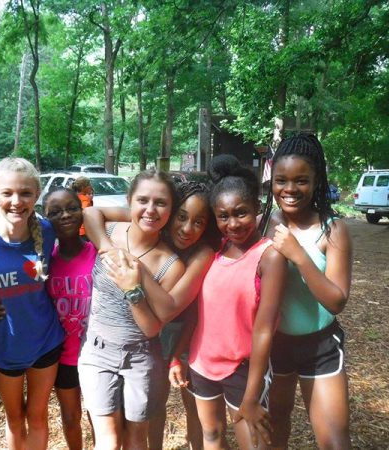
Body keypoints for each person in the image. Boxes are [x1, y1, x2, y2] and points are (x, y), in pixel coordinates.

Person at [85, 181, 221, 450]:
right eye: (181, 217)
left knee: (193, 405)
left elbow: (169, 309)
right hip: (145, 330)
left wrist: (135, 266)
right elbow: (91, 212)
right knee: (152, 408)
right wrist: (108, 247)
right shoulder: (156, 224)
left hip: (186, 330)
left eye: (198, 222)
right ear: (171, 214)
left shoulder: (202, 253)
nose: (187, 228)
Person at [181, 156, 287, 450]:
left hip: (243, 369)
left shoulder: (270, 257)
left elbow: (264, 329)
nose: (233, 223)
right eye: (223, 216)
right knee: (212, 435)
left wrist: (251, 396)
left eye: (241, 213)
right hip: (202, 362)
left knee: (253, 444)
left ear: (256, 207)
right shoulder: (216, 249)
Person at [78, 169, 185, 450]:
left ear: (171, 210)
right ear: (129, 201)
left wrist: (133, 287)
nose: (151, 209)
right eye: (143, 200)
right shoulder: (109, 231)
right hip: (97, 353)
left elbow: (152, 328)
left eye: (160, 203)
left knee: (137, 439)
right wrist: (108, 249)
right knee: (108, 441)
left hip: (140, 357)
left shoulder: (171, 264)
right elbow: (90, 213)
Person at [262, 134, 353, 450]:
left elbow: (336, 300)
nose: (289, 189)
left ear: (316, 182)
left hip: (320, 345)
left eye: (301, 180)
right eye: (281, 180)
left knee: (335, 440)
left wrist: (298, 255)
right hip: (273, 344)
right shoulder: (261, 222)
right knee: (275, 426)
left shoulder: (333, 229)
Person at [0, 157, 64, 450]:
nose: (16, 201)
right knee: (15, 418)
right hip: (5, 344)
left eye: (25, 193)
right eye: (7, 193)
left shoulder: (48, 230)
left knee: (37, 416)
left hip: (46, 339)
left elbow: (97, 216)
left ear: (37, 195)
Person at [44, 187, 97, 450]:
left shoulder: (99, 252)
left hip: (97, 355)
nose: (65, 215)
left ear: (83, 211)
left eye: (72, 208)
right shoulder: (43, 263)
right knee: (70, 417)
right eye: (55, 212)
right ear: (46, 219)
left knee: (98, 416)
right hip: (63, 356)